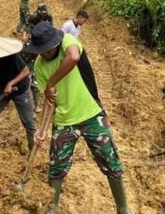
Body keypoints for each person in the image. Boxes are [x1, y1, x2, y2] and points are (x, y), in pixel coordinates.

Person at [25, 21, 132, 214]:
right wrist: (41, 131)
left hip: (91, 114)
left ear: (54, 44)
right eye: (39, 50)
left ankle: (123, 208)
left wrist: (51, 82)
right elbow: (49, 101)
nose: (42, 54)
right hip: (64, 121)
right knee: (56, 166)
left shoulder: (68, 41)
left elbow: (73, 58)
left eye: (45, 50)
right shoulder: (39, 65)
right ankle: (53, 206)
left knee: (111, 162)